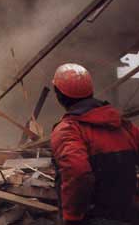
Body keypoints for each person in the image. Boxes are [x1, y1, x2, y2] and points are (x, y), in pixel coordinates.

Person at [50, 63, 139, 224]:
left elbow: (78, 173)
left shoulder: (69, 130)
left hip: (92, 218)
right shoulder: (122, 125)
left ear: (58, 95)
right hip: (129, 215)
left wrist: (72, 217)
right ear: (90, 91)